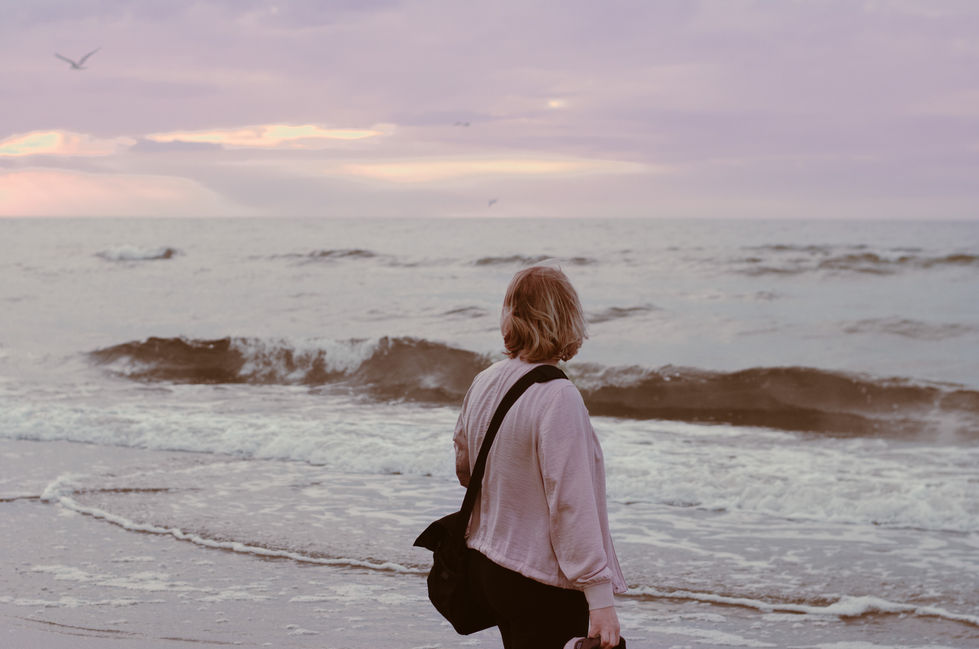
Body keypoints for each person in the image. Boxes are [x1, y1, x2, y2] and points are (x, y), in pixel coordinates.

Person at [454, 265, 627, 649]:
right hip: (540, 580)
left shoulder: (485, 380)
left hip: (491, 566)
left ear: (511, 316)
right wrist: (600, 599)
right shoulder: (558, 396)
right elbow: (570, 502)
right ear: (566, 320)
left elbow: (465, 470)